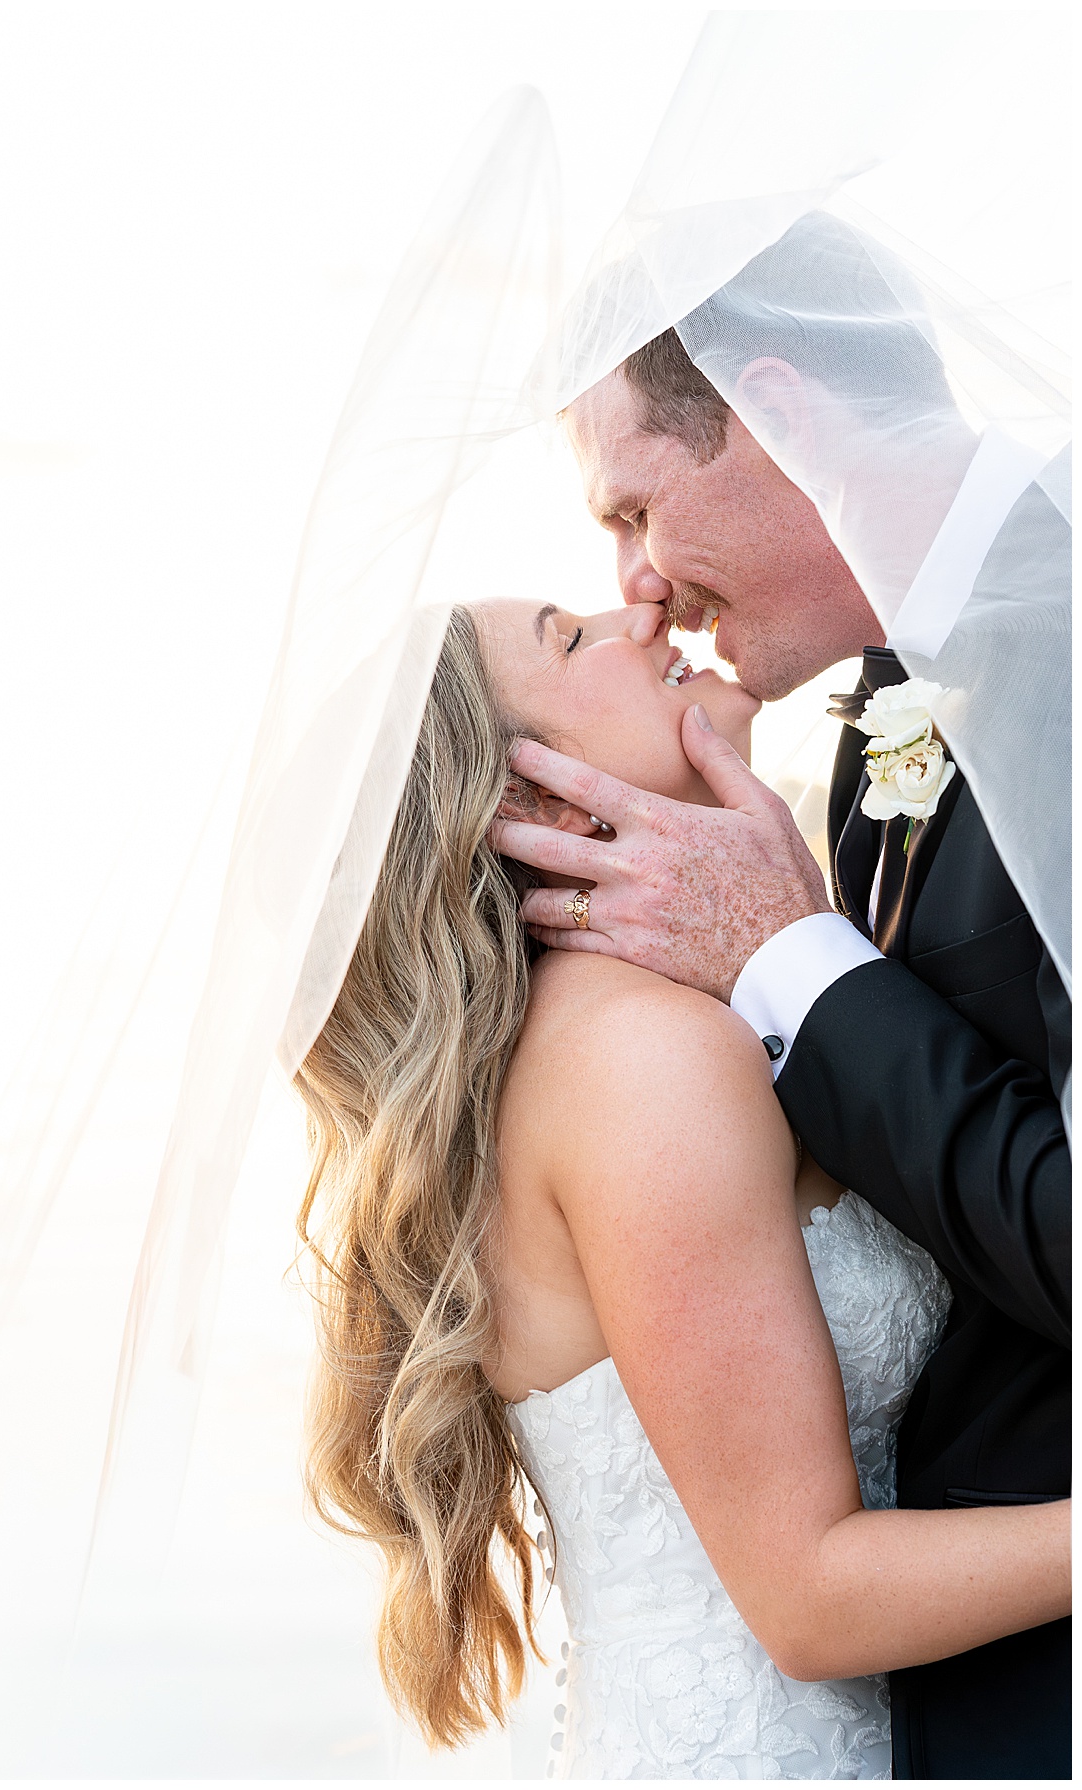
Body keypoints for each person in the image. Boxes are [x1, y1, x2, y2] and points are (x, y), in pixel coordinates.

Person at [293, 597, 1069, 1780]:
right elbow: (810, 1597)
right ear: (534, 802)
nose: (640, 605)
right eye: (569, 635)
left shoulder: (623, 1033)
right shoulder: (641, 1059)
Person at [495, 231, 1070, 1779]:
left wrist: (790, 957)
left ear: (776, 412)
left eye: (633, 508)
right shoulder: (891, 703)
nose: (638, 593)